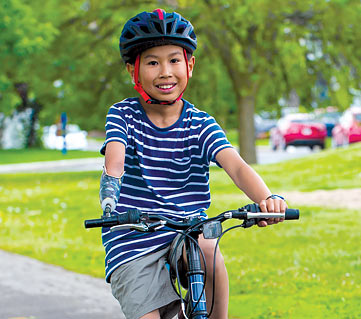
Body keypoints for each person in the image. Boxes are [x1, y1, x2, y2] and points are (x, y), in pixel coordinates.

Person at [99, 9, 287, 319]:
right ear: (133, 69)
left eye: (174, 60)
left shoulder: (200, 124)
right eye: (152, 62)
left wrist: (266, 200)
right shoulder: (123, 116)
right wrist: (109, 198)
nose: (165, 72)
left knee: (209, 248)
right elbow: (115, 160)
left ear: (189, 65)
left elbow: (237, 167)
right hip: (134, 237)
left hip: (187, 230)